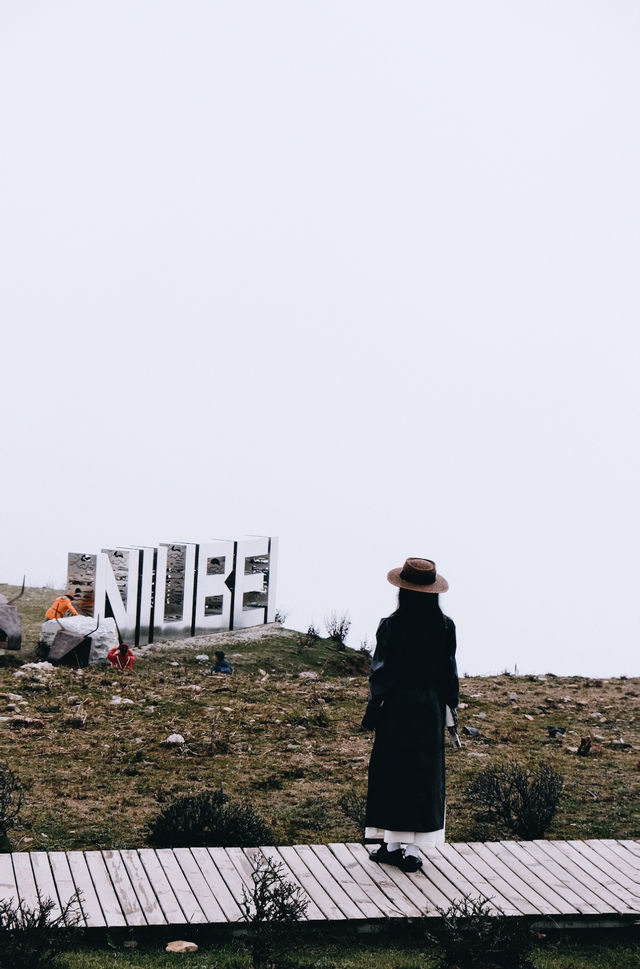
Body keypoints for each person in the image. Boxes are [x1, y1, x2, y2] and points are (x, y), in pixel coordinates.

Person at [362, 557, 460, 873]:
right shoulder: (445, 626)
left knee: (393, 772)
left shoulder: (391, 625)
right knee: (424, 776)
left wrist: (373, 709)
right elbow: (449, 673)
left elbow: (381, 673)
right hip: (429, 708)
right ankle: (416, 851)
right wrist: (450, 707)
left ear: (402, 590)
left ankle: (391, 845)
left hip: (397, 708)